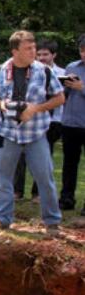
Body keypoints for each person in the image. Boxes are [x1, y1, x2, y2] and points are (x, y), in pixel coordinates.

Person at [0, 31, 64, 232]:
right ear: (15, 51)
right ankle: (2, 219)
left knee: (45, 178)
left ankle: (52, 221)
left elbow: (60, 98)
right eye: (28, 48)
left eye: (34, 47)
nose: (33, 52)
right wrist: (1, 104)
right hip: (8, 132)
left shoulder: (44, 71)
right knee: (3, 179)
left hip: (36, 133)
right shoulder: (0, 71)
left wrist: (35, 108)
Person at [14, 39, 65, 200]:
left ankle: (37, 192)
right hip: (29, 119)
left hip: (53, 120)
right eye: (39, 54)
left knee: (43, 157)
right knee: (21, 155)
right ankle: (17, 190)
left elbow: (62, 98)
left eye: (46, 54)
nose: (42, 57)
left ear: (54, 55)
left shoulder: (62, 73)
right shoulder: (29, 71)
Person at [59, 34, 85, 213]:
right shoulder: (71, 66)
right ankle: (67, 198)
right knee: (69, 164)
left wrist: (82, 88)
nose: (84, 54)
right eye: (82, 50)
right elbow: (64, 95)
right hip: (70, 123)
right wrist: (64, 85)